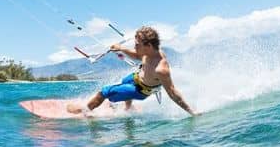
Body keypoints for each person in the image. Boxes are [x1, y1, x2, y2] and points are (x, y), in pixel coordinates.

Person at [67, 26, 197, 116]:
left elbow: (173, 92)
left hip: (140, 90)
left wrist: (191, 111)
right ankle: (128, 108)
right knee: (125, 80)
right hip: (136, 78)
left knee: (104, 92)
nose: (135, 46)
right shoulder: (149, 52)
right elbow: (137, 55)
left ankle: (86, 111)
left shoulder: (161, 69)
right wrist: (121, 48)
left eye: (137, 44)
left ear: (149, 45)